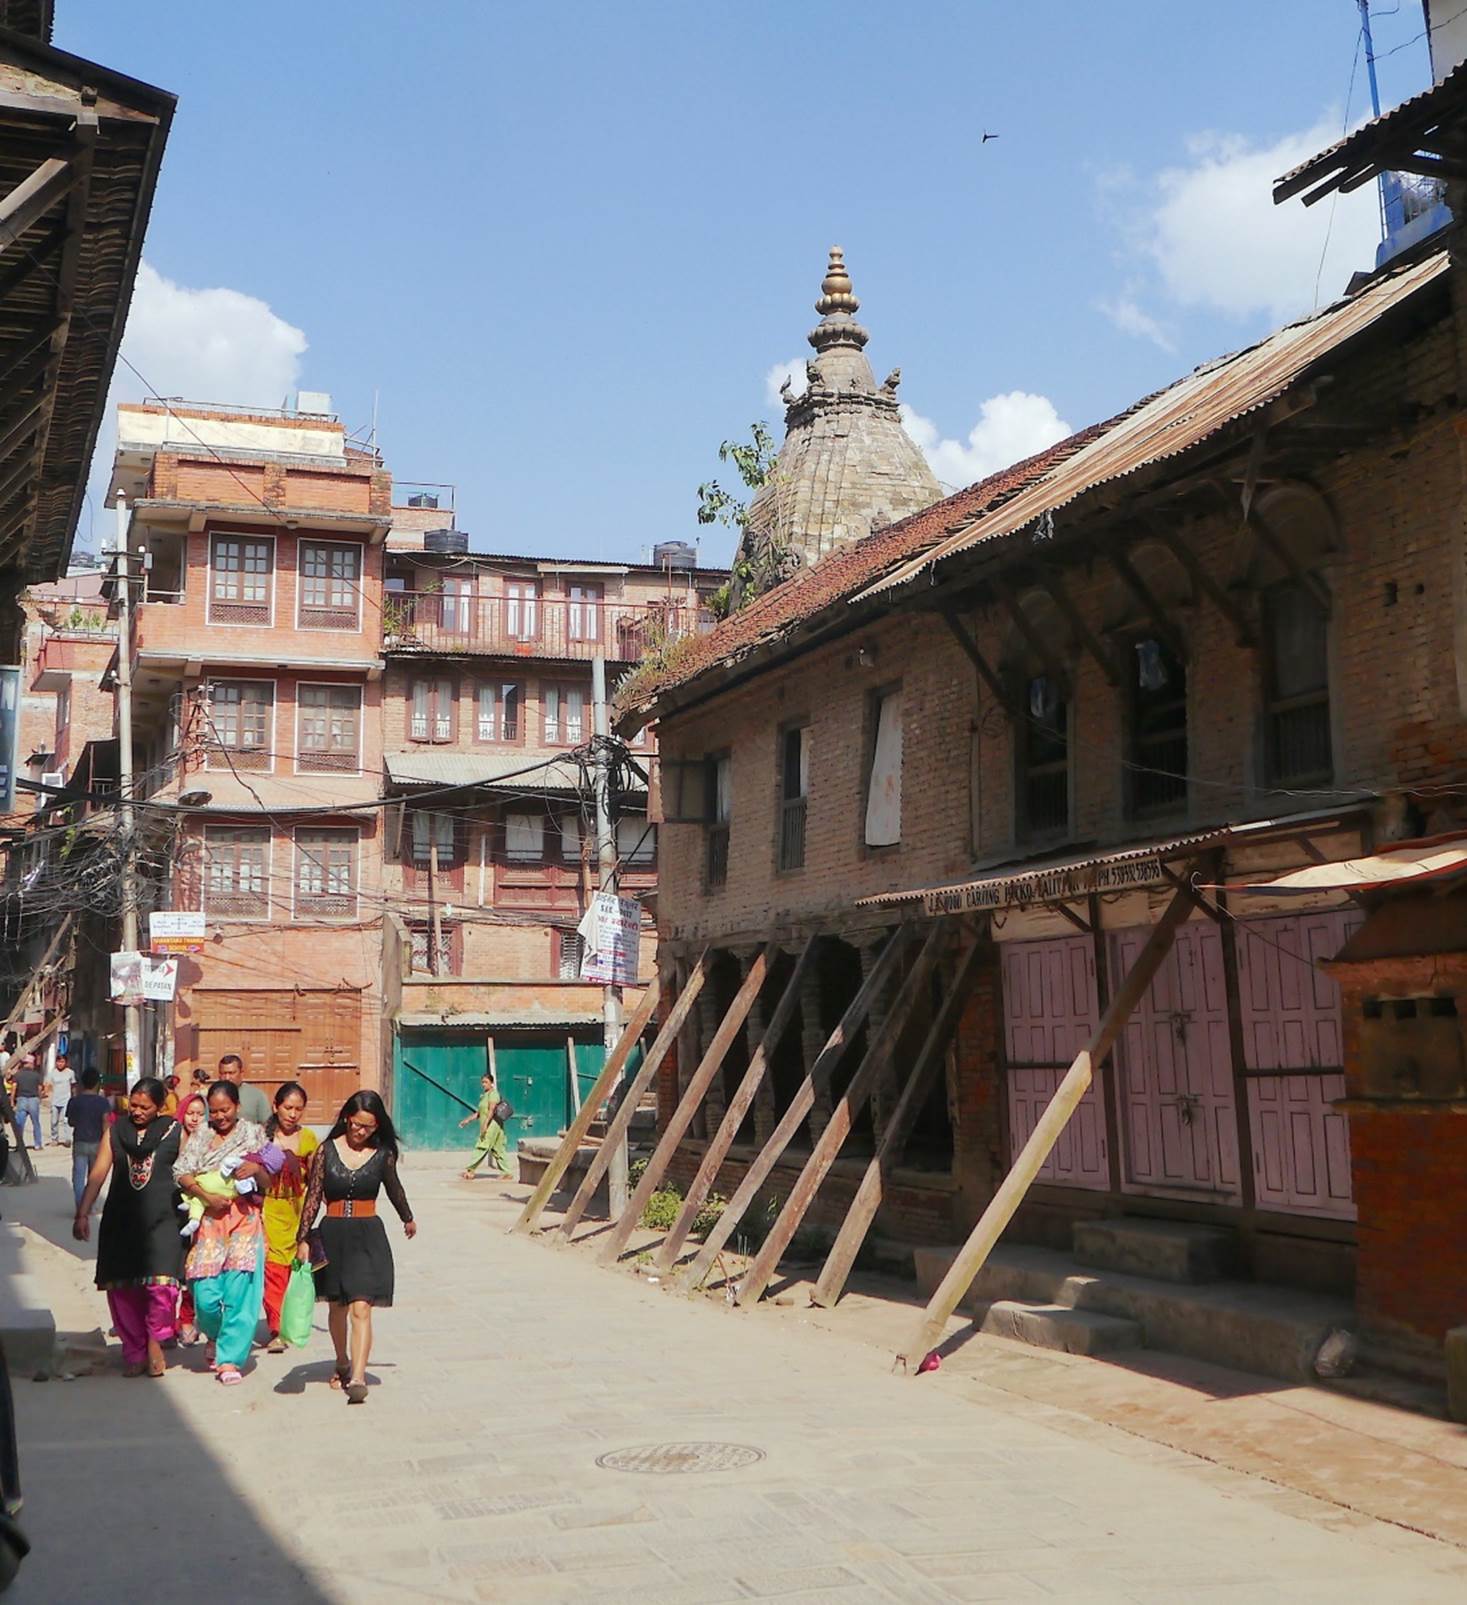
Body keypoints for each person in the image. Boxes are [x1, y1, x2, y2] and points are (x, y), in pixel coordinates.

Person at [296, 1090, 416, 1404]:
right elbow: (313, 1196)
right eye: (357, 1124)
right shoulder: (326, 1151)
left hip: (368, 1236)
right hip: (333, 1233)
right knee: (337, 1306)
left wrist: (408, 1218)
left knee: (361, 1306)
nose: (361, 1132)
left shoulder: (383, 1154)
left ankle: (359, 1377)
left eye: (369, 1127)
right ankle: (341, 1361)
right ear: (348, 1117)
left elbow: (394, 1189)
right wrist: (302, 1239)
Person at [73, 1077, 185, 1378]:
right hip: (122, 1221)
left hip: (163, 1221)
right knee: (124, 1291)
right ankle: (133, 1351)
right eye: (133, 1105)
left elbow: (191, 1171)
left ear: (159, 1107)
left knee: (162, 1287)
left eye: (144, 1107)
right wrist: (82, 1213)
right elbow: (97, 1173)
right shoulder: (116, 1131)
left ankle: (153, 1341)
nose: (136, 1111)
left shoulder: (176, 1131)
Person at [173, 1081, 278, 1386]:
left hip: (243, 1220)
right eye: (214, 1111)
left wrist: (254, 1170)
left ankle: (229, 1358)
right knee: (205, 1295)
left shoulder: (253, 1135)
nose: (219, 1116)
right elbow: (181, 1172)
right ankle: (216, 1334)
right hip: (208, 1221)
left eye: (225, 1110)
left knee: (240, 1293)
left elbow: (269, 1180)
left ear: (237, 1107)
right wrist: (205, 1196)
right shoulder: (201, 1136)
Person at [260, 1082, 318, 1354]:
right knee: (273, 1272)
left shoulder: (308, 1140)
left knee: (294, 1271)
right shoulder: (263, 1138)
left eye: (298, 1109)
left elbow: (318, 1178)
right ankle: (276, 1328)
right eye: (288, 1108)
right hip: (269, 1210)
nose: (293, 1114)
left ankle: (291, 1324)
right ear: (276, 1107)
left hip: (298, 1212)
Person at [172, 1093, 207, 1345]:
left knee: (194, 1271)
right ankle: (167, 1321)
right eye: (190, 1113)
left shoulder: (209, 1141)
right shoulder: (172, 1139)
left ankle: (187, 1320)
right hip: (174, 1211)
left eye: (199, 1113)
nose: (194, 1118)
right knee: (174, 1270)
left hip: (202, 1212)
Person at [64, 1069, 112, 1210]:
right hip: (97, 1143)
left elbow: (71, 1122)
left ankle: (80, 1205)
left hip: (80, 1141)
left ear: (82, 1083)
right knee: (94, 1177)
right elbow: (105, 1123)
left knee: (78, 1176)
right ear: (97, 1083)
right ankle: (88, 1206)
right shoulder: (103, 1102)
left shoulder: (74, 1101)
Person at [459, 1071, 513, 1181]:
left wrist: (485, 1125)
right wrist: (467, 1120)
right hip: (492, 1124)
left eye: (486, 1082)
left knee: (482, 1145)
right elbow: (479, 1113)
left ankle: (471, 1170)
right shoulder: (485, 1096)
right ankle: (507, 1172)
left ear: (491, 1083)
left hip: (493, 1124)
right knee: (498, 1149)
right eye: (482, 1082)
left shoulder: (493, 1094)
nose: (483, 1084)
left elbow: (492, 1110)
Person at [216, 1054, 270, 1126]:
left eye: (231, 1073)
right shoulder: (213, 1096)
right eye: (223, 1073)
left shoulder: (257, 1096)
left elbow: (267, 1124)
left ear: (241, 1073)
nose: (227, 1078)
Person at [11, 1057, 42, 1152]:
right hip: (33, 1099)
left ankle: (19, 1145)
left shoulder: (18, 1075)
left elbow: (14, 1088)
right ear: (31, 1064)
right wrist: (39, 1098)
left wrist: (12, 1100)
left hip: (21, 1099)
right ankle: (38, 1144)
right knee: (36, 1123)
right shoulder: (36, 1075)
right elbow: (40, 1088)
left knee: (20, 1124)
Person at [45, 1054, 74, 1147]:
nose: (60, 1064)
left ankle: (68, 1139)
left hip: (66, 1100)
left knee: (66, 1121)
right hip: (55, 1100)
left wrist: (74, 1097)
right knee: (54, 1121)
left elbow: (73, 1085)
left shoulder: (70, 1072)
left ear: (66, 1062)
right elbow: (48, 1085)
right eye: (58, 1062)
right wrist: (47, 1095)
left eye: (62, 1062)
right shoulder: (52, 1073)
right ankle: (54, 1139)